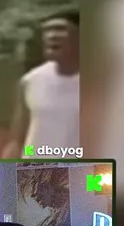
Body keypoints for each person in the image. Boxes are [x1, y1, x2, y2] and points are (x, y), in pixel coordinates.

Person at [9, 11, 80, 157]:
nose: (51, 36)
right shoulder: (31, 81)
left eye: (60, 29)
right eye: (47, 31)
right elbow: (19, 140)